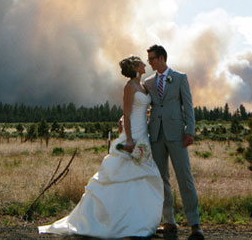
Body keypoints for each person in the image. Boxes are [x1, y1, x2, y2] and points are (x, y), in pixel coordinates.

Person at [39, 56, 163, 238]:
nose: (145, 64)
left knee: (142, 179)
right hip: (133, 136)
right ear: (136, 68)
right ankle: (114, 222)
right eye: (141, 63)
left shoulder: (143, 85)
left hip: (143, 134)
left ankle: (137, 221)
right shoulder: (130, 87)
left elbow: (139, 109)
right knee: (121, 178)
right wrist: (128, 140)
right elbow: (127, 114)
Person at [144, 44, 204, 240]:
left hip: (178, 135)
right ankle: (169, 221)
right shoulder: (149, 82)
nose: (149, 62)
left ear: (161, 58)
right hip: (157, 136)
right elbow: (140, 105)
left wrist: (190, 131)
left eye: (151, 58)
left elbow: (188, 106)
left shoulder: (179, 78)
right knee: (162, 180)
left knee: (184, 177)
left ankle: (195, 224)